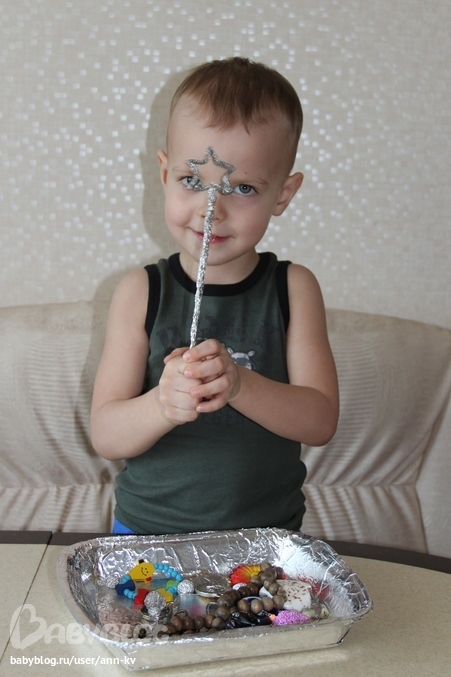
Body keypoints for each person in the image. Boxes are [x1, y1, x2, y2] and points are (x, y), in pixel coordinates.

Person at [90, 57, 339, 536]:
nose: (212, 210)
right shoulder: (140, 292)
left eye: (242, 187)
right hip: (148, 536)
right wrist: (162, 405)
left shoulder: (294, 289)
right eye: (192, 181)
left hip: (266, 540)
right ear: (164, 173)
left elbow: (320, 421)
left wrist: (240, 385)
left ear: (283, 195)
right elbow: (106, 435)